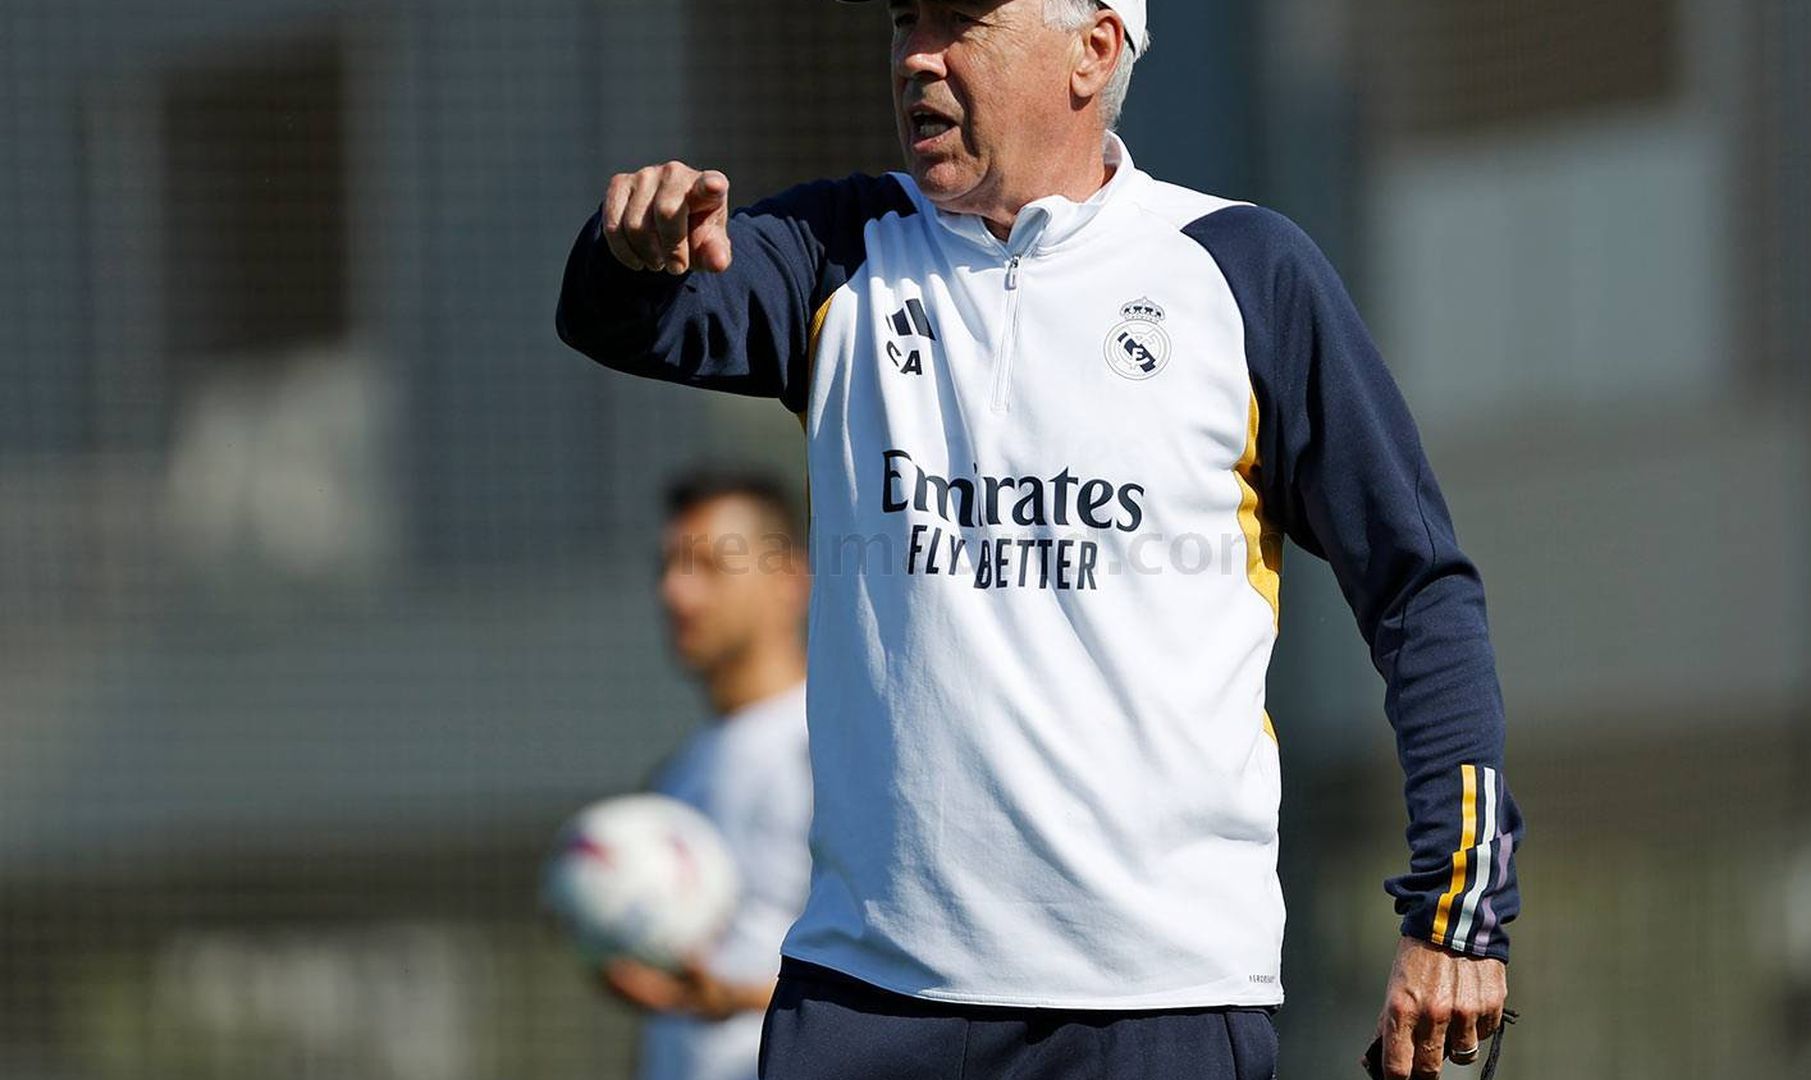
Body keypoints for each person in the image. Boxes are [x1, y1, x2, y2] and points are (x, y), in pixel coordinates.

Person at [556, 3, 1522, 1078]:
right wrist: (626, 250)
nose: (918, 54)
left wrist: (1456, 913)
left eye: (960, 21)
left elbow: (1420, 591)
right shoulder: (839, 248)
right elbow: (629, 320)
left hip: (1158, 1006)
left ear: (1093, 50)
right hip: (864, 1005)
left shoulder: (1242, 269)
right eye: (905, 20)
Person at [604, 473, 812, 1080]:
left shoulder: (832, 747)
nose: (676, 593)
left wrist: (730, 997)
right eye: (668, 566)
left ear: (787, 581)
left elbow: (908, 975)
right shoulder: (680, 772)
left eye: (709, 566)